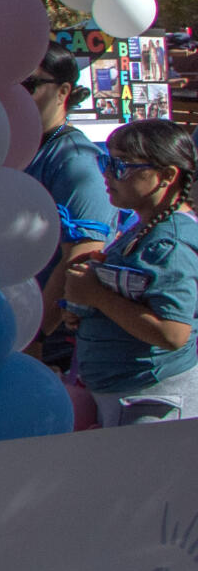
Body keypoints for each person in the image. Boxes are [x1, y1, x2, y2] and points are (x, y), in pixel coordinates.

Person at [57, 115, 198, 423]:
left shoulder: (171, 243)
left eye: (122, 166)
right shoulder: (144, 228)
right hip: (127, 396)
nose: (108, 175)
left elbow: (172, 333)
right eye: (106, 162)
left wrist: (96, 296)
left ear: (166, 175)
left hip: (154, 401)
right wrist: (86, 307)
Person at [22, 47, 115, 365]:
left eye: (27, 85)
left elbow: (83, 254)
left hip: (49, 340)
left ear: (63, 91)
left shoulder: (73, 158)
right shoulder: (15, 146)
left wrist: (35, 336)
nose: (14, 95)